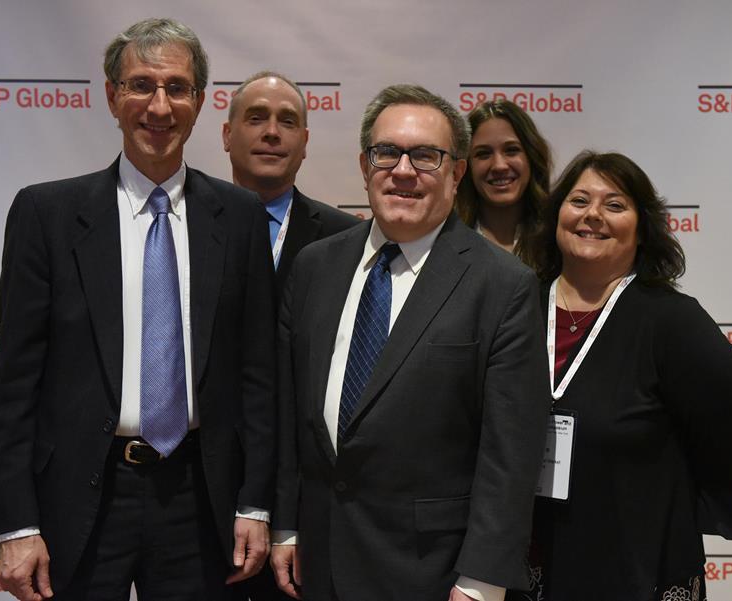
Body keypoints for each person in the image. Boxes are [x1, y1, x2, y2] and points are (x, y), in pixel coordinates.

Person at [0, 18, 276, 601]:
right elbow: (14, 383)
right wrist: (16, 524)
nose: (159, 106)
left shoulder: (240, 217)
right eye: (141, 85)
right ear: (112, 96)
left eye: (177, 88)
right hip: (81, 498)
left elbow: (257, 377)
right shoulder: (48, 214)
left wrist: (257, 503)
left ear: (199, 101)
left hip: (200, 498)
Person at [271, 84, 547, 601]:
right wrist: (285, 524)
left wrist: (482, 581)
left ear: (457, 172)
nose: (403, 170)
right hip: (318, 564)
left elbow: (511, 453)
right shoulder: (316, 266)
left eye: (425, 155)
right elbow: (291, 416)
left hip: (432, 575)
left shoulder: (502, 286)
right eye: (386, 153)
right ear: (364, 164)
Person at [516, 151, 732, 600]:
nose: (592, 215)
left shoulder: (673, 322)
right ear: (556, 216)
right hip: (526, 557)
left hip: (637, 559)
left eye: (614, 205)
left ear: (643, 229)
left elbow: (727, 434)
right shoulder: (516, 307)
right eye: (579, 200)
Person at [223, 71, 359, 297]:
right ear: (227, 135)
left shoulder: (347, 238)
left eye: (287, 122)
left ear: (305, 143)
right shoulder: (191, 223)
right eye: (256, 118)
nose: (272, 132)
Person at [455, 99, 552, 271]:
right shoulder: (446, 241)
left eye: (511, 150)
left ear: (531, 156)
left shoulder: (556, 240)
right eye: (483, 154)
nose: (499, 165)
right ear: (466, 165)